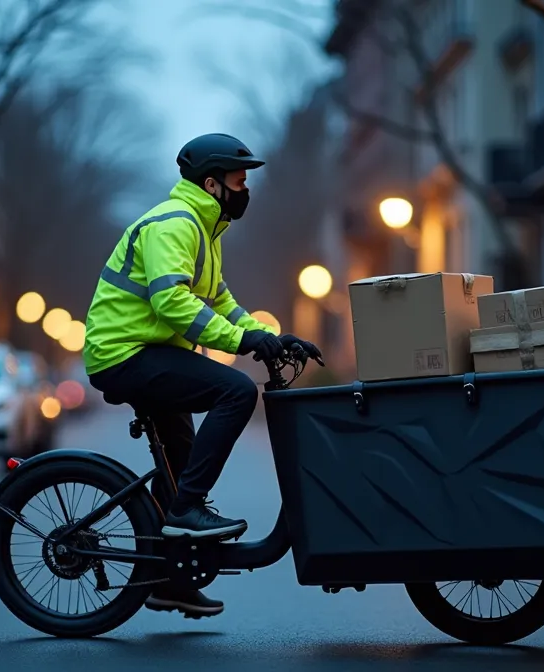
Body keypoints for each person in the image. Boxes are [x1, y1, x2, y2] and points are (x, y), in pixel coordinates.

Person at [82, 133, 322, 618]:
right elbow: (171, 301)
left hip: (151, 352)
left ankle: (170, 581)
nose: (246, 189)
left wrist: (270, 337)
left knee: (181, 461)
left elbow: (221, 301)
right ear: (212, 184)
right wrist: (241, 343)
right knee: (236, 391)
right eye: (240, 181)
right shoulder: (176, 224)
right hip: (124, 353)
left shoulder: (206, 231)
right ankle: (186, 510)